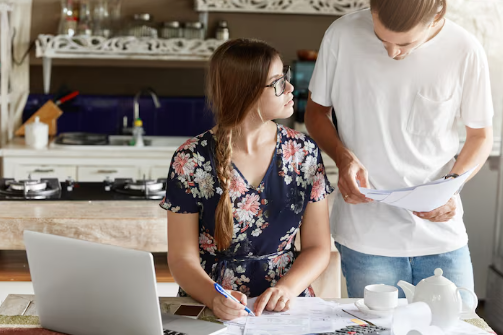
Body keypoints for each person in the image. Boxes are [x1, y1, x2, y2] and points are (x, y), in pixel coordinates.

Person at [306, 0, 493, 298]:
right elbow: (315, 113)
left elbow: (480, 136)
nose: (392, 52)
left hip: (442, 234)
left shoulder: (465, 49)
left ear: (437, 16)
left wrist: (450, 186)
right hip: (366, 236)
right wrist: (343, 158)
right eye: (382, 39)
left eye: (406, 43)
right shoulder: (342, 34)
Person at [161, 38, 333, 320]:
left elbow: (318, 247)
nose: (290, 88)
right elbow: (181, 259)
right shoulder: (190, 159)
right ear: (247, 92)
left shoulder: (304, 153)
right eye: (278, 82)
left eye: (285, 76)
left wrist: (286, 290)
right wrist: (215, 298)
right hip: (210, 306)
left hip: (287, 308)